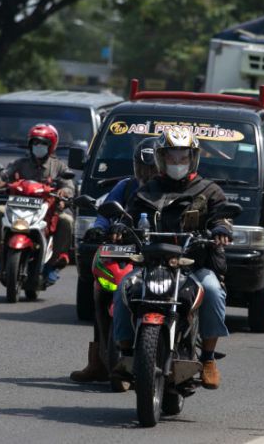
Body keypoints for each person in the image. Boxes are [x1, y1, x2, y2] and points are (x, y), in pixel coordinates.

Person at [111, 127, 232, 389]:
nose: (177, 163)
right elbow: (129, 216)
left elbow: (222, 216)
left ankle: (209, 359)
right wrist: (121, 228)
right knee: (123, 288)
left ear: (193, 159)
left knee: (212, 290)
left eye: (183, 158)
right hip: (153, 264)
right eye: (172, 158)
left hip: (193, 264)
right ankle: (126, 354)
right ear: (161, 159)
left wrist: (221, 229)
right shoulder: (147, 191)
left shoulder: (208, 190)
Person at [69, 137, 159, 384]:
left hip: (155, 257)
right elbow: (105, 212)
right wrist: (98, 229)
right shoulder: (126, 186)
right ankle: (97, 361)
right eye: (143, 168)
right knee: (100, 291)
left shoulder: (169, 190)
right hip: (123, 253)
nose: (147, 173)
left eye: (152, 168)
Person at [0, 123, 74, 284]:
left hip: (47, 211)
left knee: (66, 221)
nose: (38, 146)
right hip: (18, 208)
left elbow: (69, 185)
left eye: (43, 143)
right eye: (35, 143)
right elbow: (3, 175)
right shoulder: (20, 163)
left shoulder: (58, 166)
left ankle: (54, 261)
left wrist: (65, 192)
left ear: (51, 146)